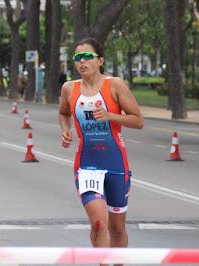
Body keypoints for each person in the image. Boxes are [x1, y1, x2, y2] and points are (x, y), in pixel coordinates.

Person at [58, 37, 144, 251]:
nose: (82, 62)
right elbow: (63, 113)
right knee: (98, 223)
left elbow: (138, 120)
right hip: (87, 165)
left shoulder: (115, 85)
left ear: (100, 61)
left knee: (117, 228)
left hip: (116, 164)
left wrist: (110, 116)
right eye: (78, 57)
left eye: (88, 56)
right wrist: (66, 130)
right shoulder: (69, 88)